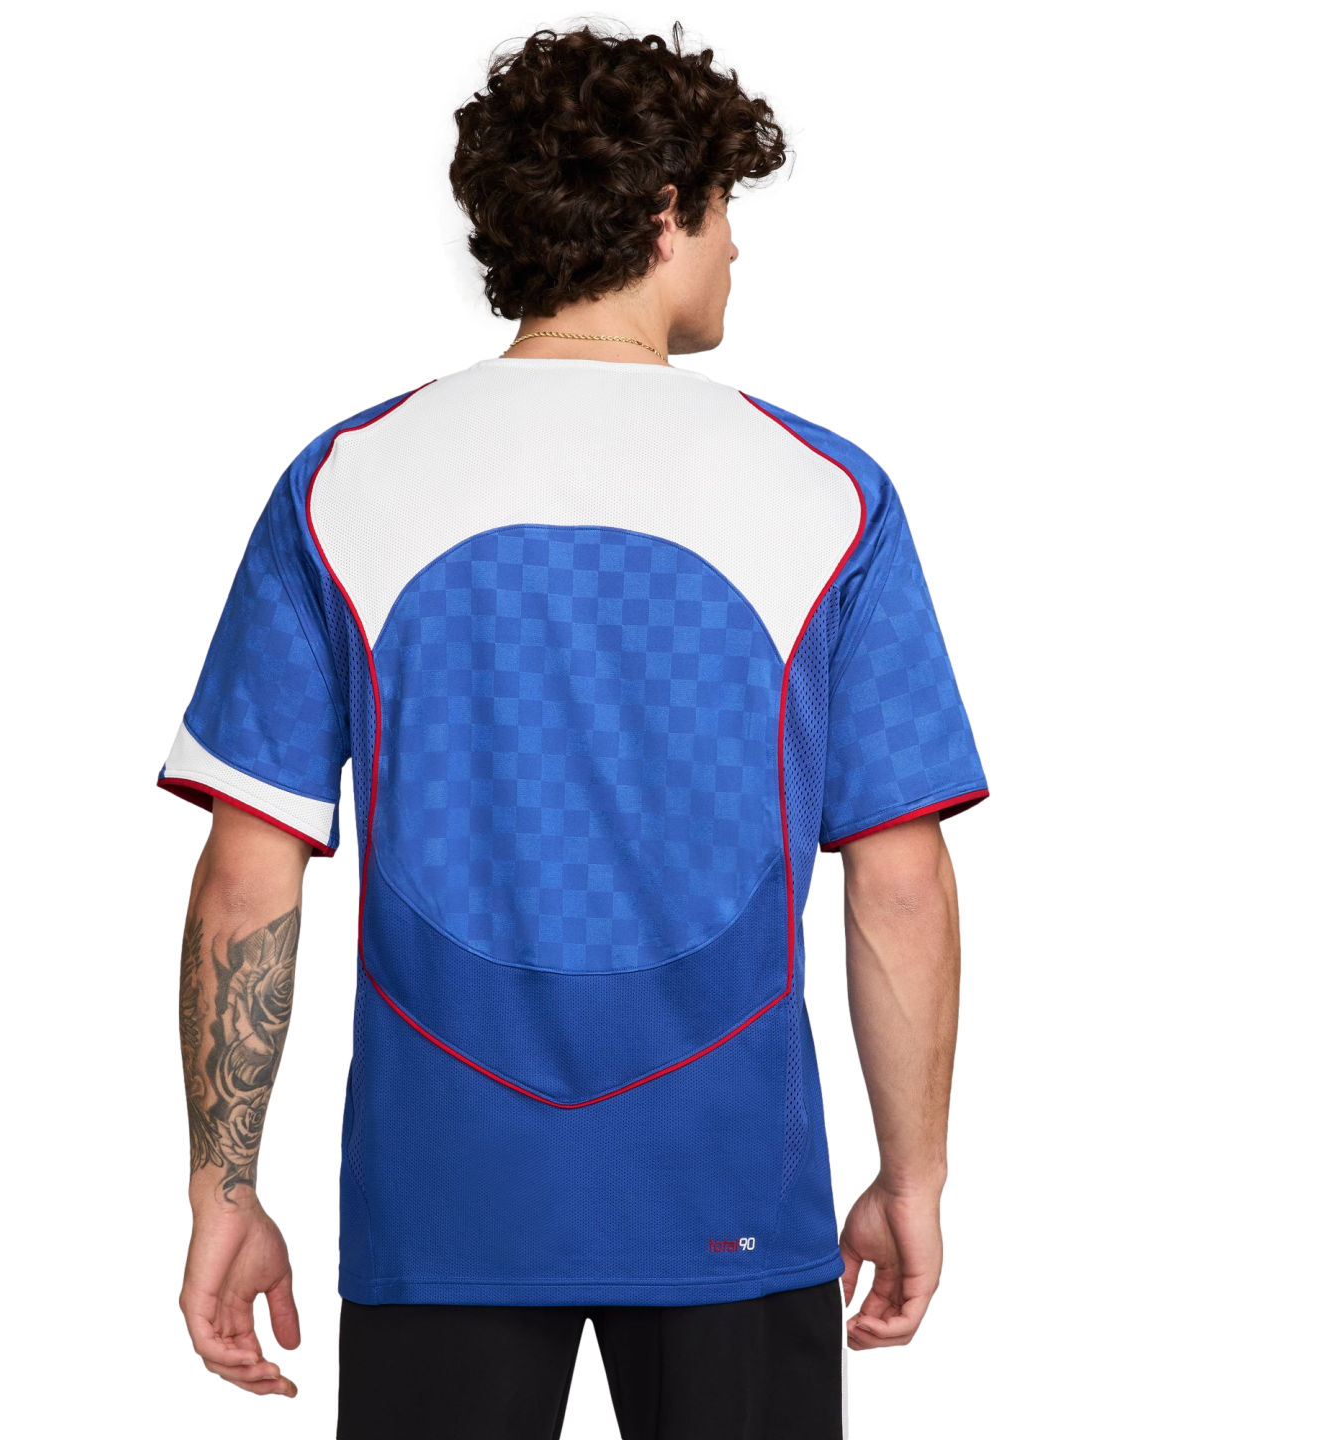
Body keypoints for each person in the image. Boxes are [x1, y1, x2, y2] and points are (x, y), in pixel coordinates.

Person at [168, 15, 988, 1439]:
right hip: (737, 1193)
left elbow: (248, 876)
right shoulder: (831, 490)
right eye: (727, 212)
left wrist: (221, 1192)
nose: (739, 247)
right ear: (667, 209)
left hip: (437, 1202)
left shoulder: (340, 480)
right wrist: (913, 1177)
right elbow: (899, 880)